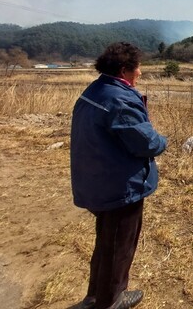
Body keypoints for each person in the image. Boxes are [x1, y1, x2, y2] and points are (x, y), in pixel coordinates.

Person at [70, 42, 167, 309]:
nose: (141, 74)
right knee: (119, 248)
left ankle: (94, 297)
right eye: (138, 69)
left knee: (106, 243)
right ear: (125, 70)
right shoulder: (120, 99)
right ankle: (111, 301)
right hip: (119, 187)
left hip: (97, 179)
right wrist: (163, 141)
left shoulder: (96, 90)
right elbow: (146, 143)